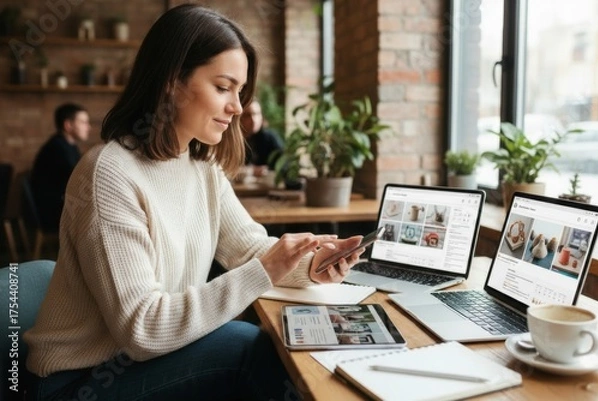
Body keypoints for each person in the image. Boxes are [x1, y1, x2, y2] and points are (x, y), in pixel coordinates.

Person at [23, 5, 364, 401]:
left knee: (254, 343)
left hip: (145, 362)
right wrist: (264, 270)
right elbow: (143, 329)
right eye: (223, 87)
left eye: (240, 91)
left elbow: (250, 249)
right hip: (77, 382)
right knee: (250, 350)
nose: (237, 107)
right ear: (172, 82)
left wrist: (312, 266)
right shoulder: (109, 174)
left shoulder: (202, 167)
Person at [29, 103, 90, 232]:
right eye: (83, 122)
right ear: (68, 125)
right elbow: (78, 178)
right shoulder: (57, 148)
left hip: (63, 206)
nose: (88, 127)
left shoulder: (69, 146)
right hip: (53, 213)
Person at [240, 98, 283, 176]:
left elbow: (284, 164)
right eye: (247, 115)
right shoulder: (231, 140)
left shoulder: (269, 138)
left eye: (256, 114)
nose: (253, 120)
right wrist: (251, 171)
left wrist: (266, 170)